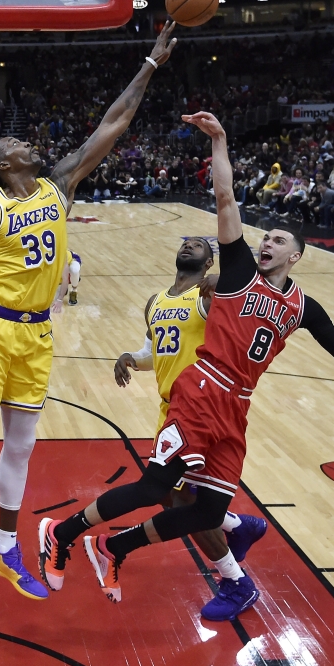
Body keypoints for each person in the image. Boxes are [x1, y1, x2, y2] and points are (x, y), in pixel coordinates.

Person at [37, 111, 334, 616]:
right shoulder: (240, 271)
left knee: (209, 509)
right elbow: (225, 200)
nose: (267, 242)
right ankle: (62, 532)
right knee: (157, 487)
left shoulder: (304, 306)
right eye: (265, 237)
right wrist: (220, 142)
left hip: (236, 406)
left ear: (297, 257)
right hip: (201, 390)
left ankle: (116, 547)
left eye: (279, 241)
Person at [0, 22, 179, 612]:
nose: (22, 142)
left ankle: (5, 545)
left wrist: (149, 64)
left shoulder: (58, 185)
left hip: (40, 334)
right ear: (2, 166)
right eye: (12, 145)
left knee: (20, 447)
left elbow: (113, 123)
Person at [94, 237, 268, 621]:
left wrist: (224, 279)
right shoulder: (155, 302)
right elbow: (155, 351)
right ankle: (239, 526)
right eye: (185, 243)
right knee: (183, 498)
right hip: (171, 408)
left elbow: (249, 291)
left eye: (199, 246)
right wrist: (129, 358)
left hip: (201, 410)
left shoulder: (209, 298)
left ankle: (236, 580)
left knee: (177, 501)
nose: (189, 247)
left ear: (208, 263)